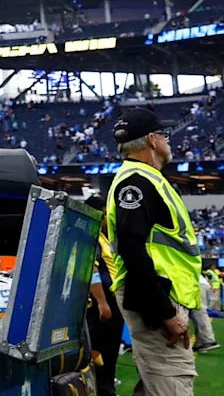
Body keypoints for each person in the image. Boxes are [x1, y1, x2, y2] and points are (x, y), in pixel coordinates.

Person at [105, 107, 203, 396]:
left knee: (156, 383)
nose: (168, 141)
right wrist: (165, 312)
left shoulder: (145, 179)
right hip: (155, 301)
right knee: (171, 381)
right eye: (165, 135)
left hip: (157, 296)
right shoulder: (137, 182)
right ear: (152, 140)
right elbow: (131, 248)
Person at [84, 194, 124, 396]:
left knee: (109, 351)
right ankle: (103, 390)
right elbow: (92, 270)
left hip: (112, 301)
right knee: (102, 351)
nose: (109, 218)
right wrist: (102, 302)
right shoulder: (90, 236)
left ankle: (107, 387)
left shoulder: (101, 237)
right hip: (103, 304)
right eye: (106, 214)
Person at [190, 272, 220, 353]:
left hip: (195, 282)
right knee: (196, 313)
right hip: (198, 282)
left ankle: (208, 340)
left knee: (199, 312)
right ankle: (200, 344)